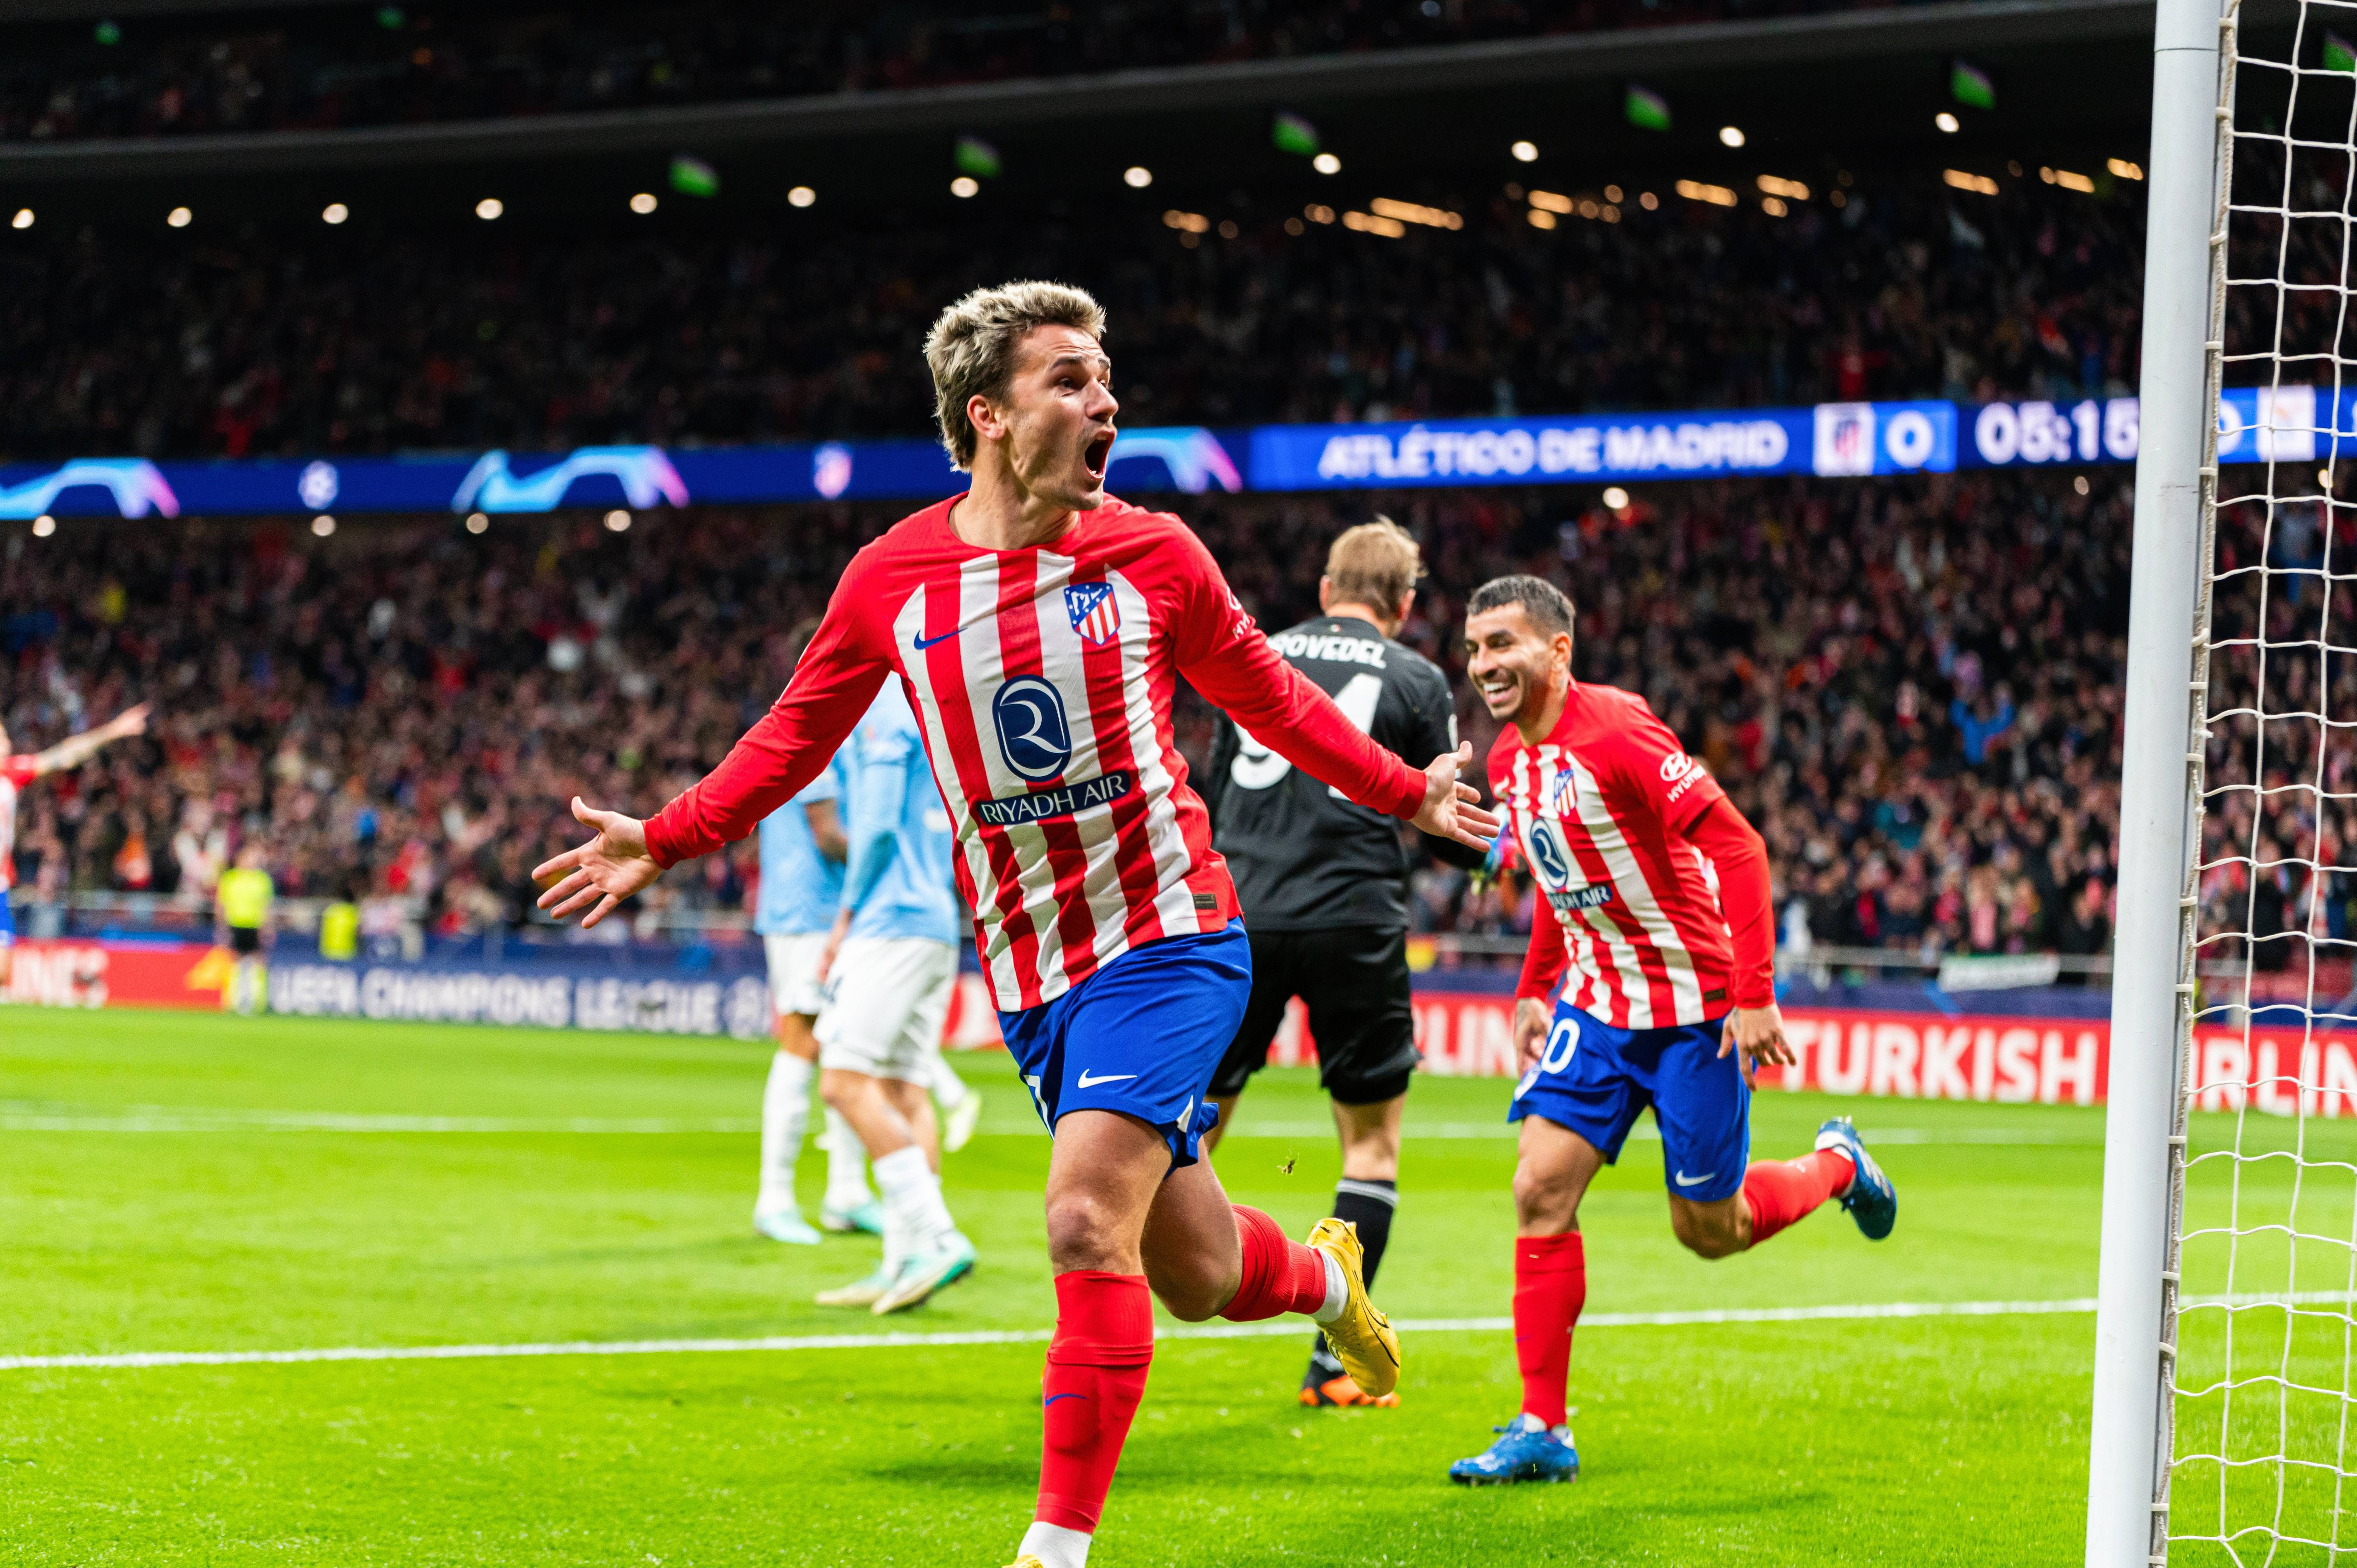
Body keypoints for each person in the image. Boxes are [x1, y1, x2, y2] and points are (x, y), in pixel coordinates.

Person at [531, 280, 1496, 1568]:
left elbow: (1271, 701)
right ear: (987, 414)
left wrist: (1407, 788)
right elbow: (789, 736)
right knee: (1197, 1272)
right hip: (1036, 972)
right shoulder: (892, 578)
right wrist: (664, 835)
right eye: (1070, 379)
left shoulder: (1156, 554)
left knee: (1078, 1219)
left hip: (1173, 936)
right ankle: (1328, 1284)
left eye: (1106, 380)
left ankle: (1051, 1549)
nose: (1106, 401)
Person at [1447, 575, 1898, 1487]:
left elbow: (1740, 846)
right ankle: (1544, 1424)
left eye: (1505, 643)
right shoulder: (1507, 761)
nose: (1486, 662)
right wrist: (1538, 984)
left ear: (1558, 649)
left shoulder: (1617, 730)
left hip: (1696, 1010)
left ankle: (1838, 1164)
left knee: (1711, 1228)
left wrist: (1755, 993)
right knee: (1538, 1188)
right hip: (1597, 1008)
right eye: (1475, 646)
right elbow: (1556, 876)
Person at [1200, 517, 1481, 1409]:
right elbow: (1447, 830)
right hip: (1355, 915)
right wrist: (1489, 852)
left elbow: (1212, 794)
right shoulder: (1415, 675)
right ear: (1402, 605)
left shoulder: (1257, 650)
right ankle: (1336, 1367)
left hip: (1238, 911)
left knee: (1189, 1124)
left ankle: (1113, 1308)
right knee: (1370, 1143)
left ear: (1326, 589)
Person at [811, 682, 978, 1313]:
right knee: (906, 1088)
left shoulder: (877, 710)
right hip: (933, 915)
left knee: (844, 1082)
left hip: (891, 918)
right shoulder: (921, 702)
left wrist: (846, 912)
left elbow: (877, 826)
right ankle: (900, 1263)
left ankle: (937, 1237)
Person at [750, 620, 880, 1245]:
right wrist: (898, 862)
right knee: (802, 1043)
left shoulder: (840, 728)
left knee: (847, 1046)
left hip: (836, 913)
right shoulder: (810, 728)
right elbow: (829, 837)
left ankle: (847, 1194)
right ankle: (774, 1197)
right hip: (807, 913)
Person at [0, 703, 150, 993]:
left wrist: (113, 731)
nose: (7, 744)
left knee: (4, 972)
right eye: (1, 739)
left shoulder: (11, 774)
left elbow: (65, 754)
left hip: (0, 886)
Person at [216, 841, 276, 1015]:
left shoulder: (262, 880)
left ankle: (258, 1002)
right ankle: (232, 1001)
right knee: (234, 963)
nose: (253, 861)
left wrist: (268, 928)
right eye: (250, 857)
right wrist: (222, 927)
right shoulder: (230, 878)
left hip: (256, 925)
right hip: (235, 924)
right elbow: (221, 905)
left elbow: (267, 906)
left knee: (258, 963)